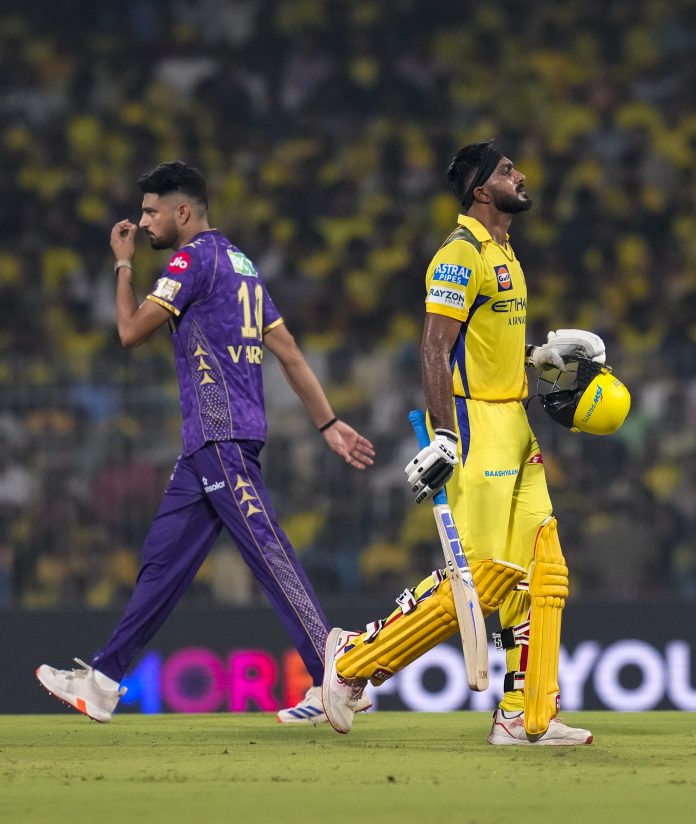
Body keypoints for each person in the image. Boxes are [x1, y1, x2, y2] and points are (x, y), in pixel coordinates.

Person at [36, 161, 374, 724]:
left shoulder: (189, 261)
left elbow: (129, 332)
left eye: (151, 211)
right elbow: (287, 349)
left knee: (267, 550)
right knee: (162, 561)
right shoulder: (242, 265)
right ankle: (102, 681)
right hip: (205, 448)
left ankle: (337, 676)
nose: (144, 222)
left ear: (182, 211)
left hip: (222, 438)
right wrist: (328, 422)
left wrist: (123, 264)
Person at [319, 140, 609, 745]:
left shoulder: (504, 250)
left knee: (542, 568)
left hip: (516, 422)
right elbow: (434, 346)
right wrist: (447, 434)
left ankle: (525, 713)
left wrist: (540, 357)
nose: (520, 174)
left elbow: (485, 343)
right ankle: (352, 662)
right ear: (481, 191)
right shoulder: (459, 253)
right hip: (476, 424)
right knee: (478, 579)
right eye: (506, 170)